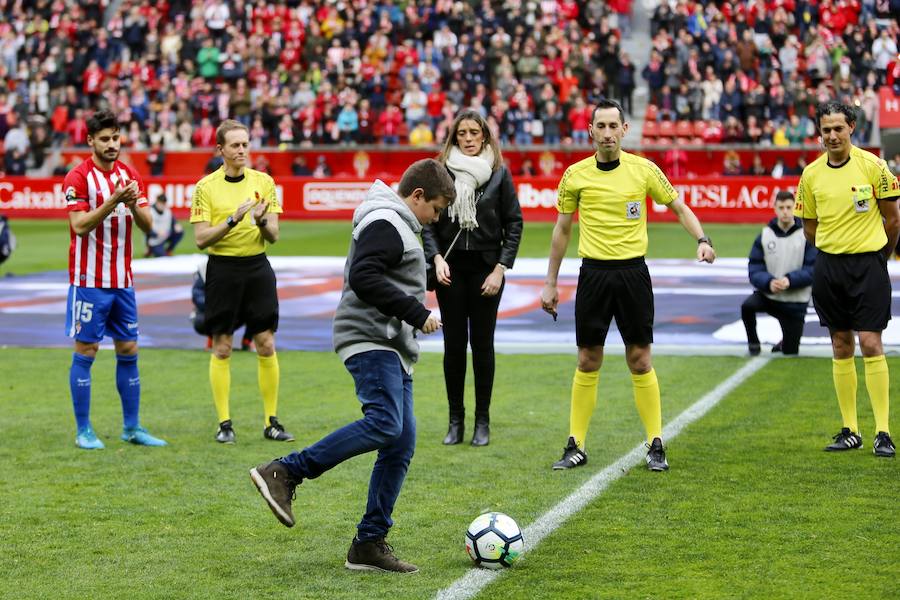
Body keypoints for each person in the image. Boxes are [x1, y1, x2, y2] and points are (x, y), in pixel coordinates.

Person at [249, 159, 455, 573]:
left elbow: (387, 273)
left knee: (400, 441)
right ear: (417, 196)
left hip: (390, 343)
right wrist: (417, 312)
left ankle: (368, 543)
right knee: (384, 423)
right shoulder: (386, 220)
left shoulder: (398, 224)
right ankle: (285, 472)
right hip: (370, 337)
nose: (434, 219)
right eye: (435, 209)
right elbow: (364, 276)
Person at [540, 99, 716, 472]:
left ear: (624, 130)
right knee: (588, 359)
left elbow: (679, 207)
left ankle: (655, 443)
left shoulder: (643, 170)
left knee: (640, 359)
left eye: (612, 126)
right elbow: (562, 230)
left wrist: (703, 240)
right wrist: (550, 283)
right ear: (590, 131)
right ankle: (576, 444)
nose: (606, 133)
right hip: (593, 275)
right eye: (599, 126)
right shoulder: (575, 175)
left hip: (633, 275)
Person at [797, 101, 899, 457]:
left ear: (852, 127)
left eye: (838, 128)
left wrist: (877, 257)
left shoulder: (874, 166)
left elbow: (893, 218)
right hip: (829, 268)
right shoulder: (810, 175)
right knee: (840, 344)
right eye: (826, 130)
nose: (832, 135)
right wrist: (833, 250)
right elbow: (809, 226)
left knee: (871, 342)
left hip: (869, 266)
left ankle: (883, 432)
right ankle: (850, 429)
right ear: (820, 133)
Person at [63, 109, 168, 449]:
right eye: (104, 139)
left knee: (129, 347)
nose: (112, 144)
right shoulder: (77, 178)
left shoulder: (129, 175)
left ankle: (132, 427)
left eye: (116, 138)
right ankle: (84, 431)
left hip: (122, 280)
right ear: (90, 140)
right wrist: (112, 201)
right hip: (88, 279)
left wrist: (133, 202)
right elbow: (78, 226)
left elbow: (150, 226)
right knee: (87, 350)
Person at [422, 109, 523, 446]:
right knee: (453, 347)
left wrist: (500, 268)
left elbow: (514, 223)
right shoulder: (439, 172)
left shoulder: (499, 174)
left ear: (484, 136)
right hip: (450, 271)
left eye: (474, 133)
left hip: (486, 272)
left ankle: (482, 421)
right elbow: (427, 223)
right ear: (454, 137)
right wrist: (435, 259)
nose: (468, 139)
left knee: (482, 346)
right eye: (462, 133)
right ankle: (455, 421)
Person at [190, 119, 294, 445]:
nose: (242, 150)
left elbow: (274, 235)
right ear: (220, 149)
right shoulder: (205, 187)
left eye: (245, 144)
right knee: (222, 347)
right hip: (222, 270)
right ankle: (225, 423)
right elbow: (201, 239)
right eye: (235, 145)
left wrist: (262, 220)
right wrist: (233, 219)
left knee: (266, 343)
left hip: (257, 268)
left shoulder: (264, 182)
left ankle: (271, 422)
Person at [741, 191, 816, 356]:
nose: (785, 211)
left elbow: (814, 269)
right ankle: (753, 344)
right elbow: (754, 267)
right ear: (775, 208)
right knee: (747, 307)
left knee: (790, 353)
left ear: (795, 208)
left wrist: (790, 280)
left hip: (795, 302)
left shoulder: (807, 235)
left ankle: (785, 343)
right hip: (770, 296)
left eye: (789, 207)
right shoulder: (764, 235)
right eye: (781, 207)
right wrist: (768, 282)